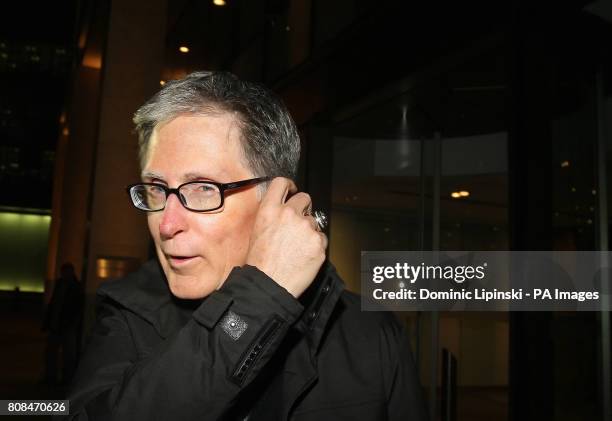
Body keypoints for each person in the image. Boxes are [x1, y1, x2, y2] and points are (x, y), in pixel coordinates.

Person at [66, 72, 427, 420]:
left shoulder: (370, 335)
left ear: (277, 200)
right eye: (157, 189)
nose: (166, 224)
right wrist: (260, 297)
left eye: (204, 188)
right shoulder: (128, 320)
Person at [43, 262, 83, 386]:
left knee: (67, 354)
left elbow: (76, 308)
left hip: (66, 325)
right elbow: (54, 303)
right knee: (54, 353)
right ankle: (53, 377)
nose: (64, 274)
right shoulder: (62, 284)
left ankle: (64, 378)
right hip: (58, 324)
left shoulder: (74, 287)